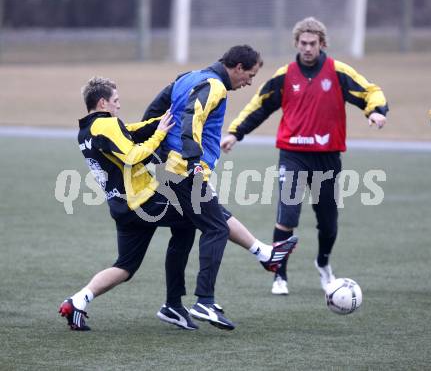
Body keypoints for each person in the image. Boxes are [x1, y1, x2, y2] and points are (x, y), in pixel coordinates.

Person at [59, 76, 296, 332]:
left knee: (125, 267)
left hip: (121, 208)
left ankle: (77, 302)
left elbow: (132, 131)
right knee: (207, 212)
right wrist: (160, 134)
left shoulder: (86, 131)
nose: (119, 105)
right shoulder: (106, 124)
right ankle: (261, 255)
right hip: (143, 202)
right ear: (103, 102)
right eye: (116, 101)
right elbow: (131, 155)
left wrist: (163, 120)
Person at [221, 18, 388, 295]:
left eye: (313, 43)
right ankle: (279, 275)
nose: (308, 48)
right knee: (286, 216)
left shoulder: (338, 72)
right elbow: (259, 105)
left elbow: (369, 91)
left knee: (328, 222)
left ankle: (323, 264)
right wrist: (235, 132)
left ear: (322, 44)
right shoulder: (285, 75)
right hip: (293, 154)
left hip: (327, 157)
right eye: (303, 43)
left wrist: (376, 111)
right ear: (296, 44)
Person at [140, 45, 296, 328]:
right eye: (249, 75)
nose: (249, 81)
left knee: (185, 231)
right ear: (237, 67)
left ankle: (173, 305)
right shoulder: (214, 86)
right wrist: (193, 163)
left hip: (169, 168)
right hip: (185, 171)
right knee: (216, 228)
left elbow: (153, 111)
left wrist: (155, 152)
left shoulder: (186, 77)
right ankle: (205, 301)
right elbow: (192, 119)